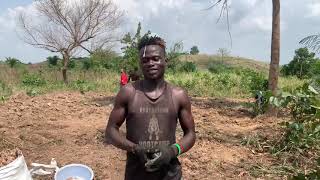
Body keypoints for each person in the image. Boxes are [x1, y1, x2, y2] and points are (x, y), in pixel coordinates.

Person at [106, 34, 196, 180]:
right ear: (140, 64)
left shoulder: (178, 95)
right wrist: (134, 148)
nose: (150, 63)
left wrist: (172, 151)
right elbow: (110, 131)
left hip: (169, 173)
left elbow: (191, 133)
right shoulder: (128, 92)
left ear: (165, 61)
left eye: (155, 58)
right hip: (136, 172)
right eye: (145, 60)